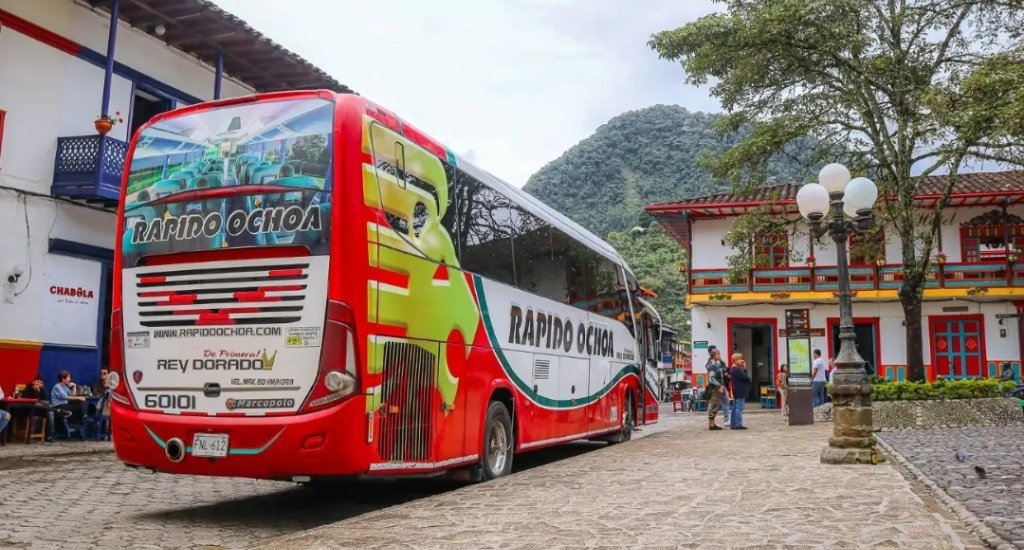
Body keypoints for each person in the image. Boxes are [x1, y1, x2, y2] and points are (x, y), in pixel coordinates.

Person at [704, 349, 727, 431]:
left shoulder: (714, 364)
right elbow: (712, 378)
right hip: (715, 387)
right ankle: (711, 424)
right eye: (718, 354)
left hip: (714, 387)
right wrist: (719, 386)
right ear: (714, 355)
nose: (719, 355)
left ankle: (712, 424)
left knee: (715, 404)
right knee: (714, 405)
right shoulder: (712, 365)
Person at [728, 353, 751, 430]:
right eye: (739, 359)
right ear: (735, 360)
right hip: (740, 390)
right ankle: (738, 424)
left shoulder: (732, 369)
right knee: (739, 408)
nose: (741, 361)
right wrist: (745, 368)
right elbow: (746, 377)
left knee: (734, 407)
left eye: (741, 359)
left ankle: (733, 424)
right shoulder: (736, 369)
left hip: (735, 389)